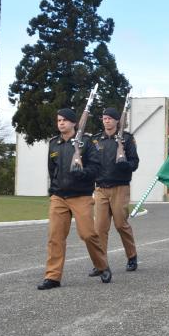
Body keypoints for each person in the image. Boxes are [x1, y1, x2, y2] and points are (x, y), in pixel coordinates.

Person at [38, 108, 111, 290]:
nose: (61, 123)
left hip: (81, 195)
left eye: (64, 120)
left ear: (73, 123)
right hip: (59, 196)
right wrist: (54, 189)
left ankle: (102, 265)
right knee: (55, 237)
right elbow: (51, 169)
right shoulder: (54, 143)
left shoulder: (85, 142)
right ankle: (53, 277)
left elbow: (96, 168)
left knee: (87, 234)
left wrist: (82, 173)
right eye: (58, 120)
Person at [91, 107, 140, 275]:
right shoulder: (96, 140)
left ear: (117, 120)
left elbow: (135, 163)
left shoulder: (127, 139)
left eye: (110, 118)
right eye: (104, 118)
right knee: (100, 228)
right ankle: (100, 264)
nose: (107, 121)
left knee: (120, 224)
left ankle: (131, 256)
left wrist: (126, 164)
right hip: (101, 188)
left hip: (120, 187)